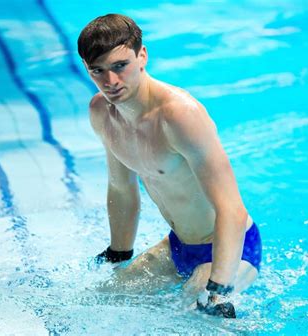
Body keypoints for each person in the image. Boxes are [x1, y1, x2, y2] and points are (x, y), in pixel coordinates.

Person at [77, 14, 262, 318]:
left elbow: (232, 208)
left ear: (142, 56)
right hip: (178, 247)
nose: (110, 82)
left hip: (232, 249)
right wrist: (118, 253)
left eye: (120, 66)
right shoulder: (102, 113)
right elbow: (121, 188)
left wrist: (218, 289)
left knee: (191, 316)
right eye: (98, 71)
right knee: (98, 301)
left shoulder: (179, 116)